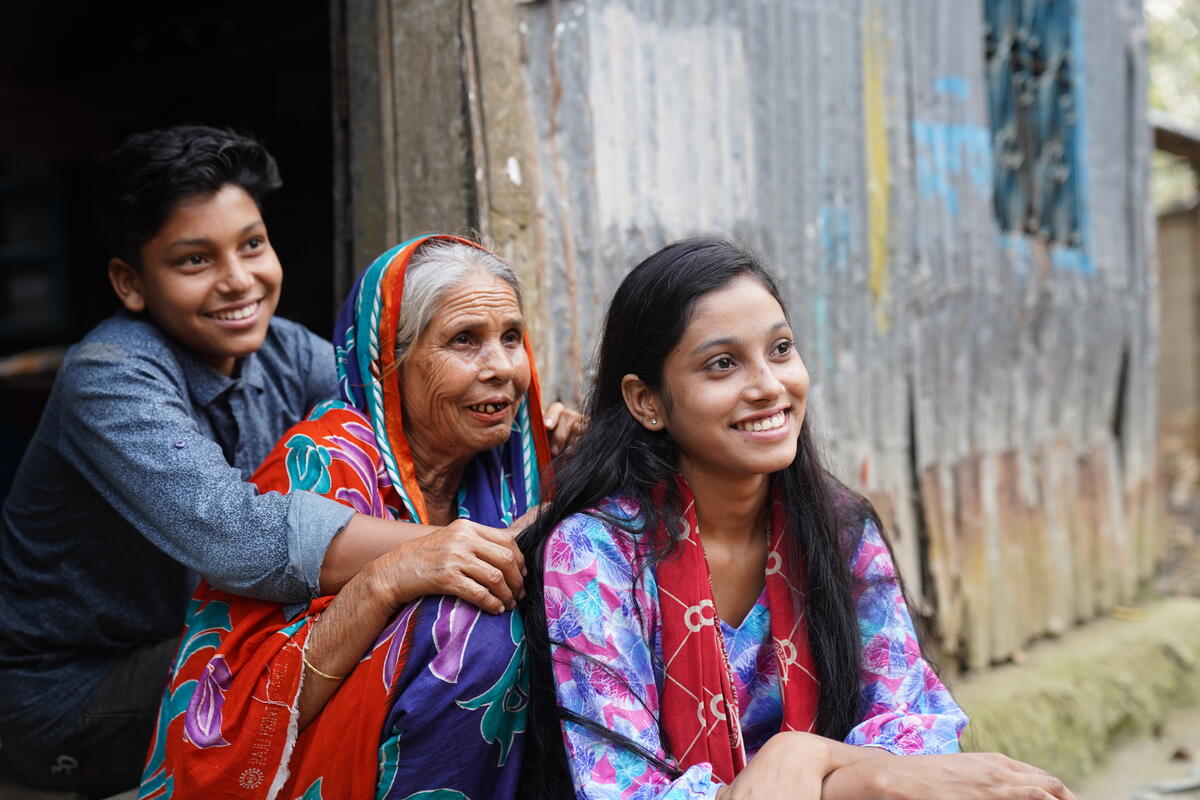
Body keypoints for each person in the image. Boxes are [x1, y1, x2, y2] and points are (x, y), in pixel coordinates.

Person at [0, 128, 572, 797]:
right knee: (391, 633)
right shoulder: (110, 375)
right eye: (194, 261)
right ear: (130, 282)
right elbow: (236, 537)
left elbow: (397, 407)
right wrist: (447, 550)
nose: (238, 280)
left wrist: (515, 420)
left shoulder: (283, 351)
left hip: (199, 630)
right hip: (69, 695)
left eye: (251, 245)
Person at [518, 238, 1075, 799]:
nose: (768, 386)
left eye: (780, 349)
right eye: (722, 364)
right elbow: (621, 789)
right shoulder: (594, 554)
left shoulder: (839, 529)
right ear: (647, 402)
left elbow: (914, 731)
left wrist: (806, 755)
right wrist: (843, 781)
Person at [141, 235, 577, 800]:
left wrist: (585, 476)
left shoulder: (511, 462)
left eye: (511, 337)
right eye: (463, 340)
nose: (500, 367)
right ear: (387, 362)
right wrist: (385, 579)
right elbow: (252, 704)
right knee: (468, 627)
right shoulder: (323, 461)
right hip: (291, 759)